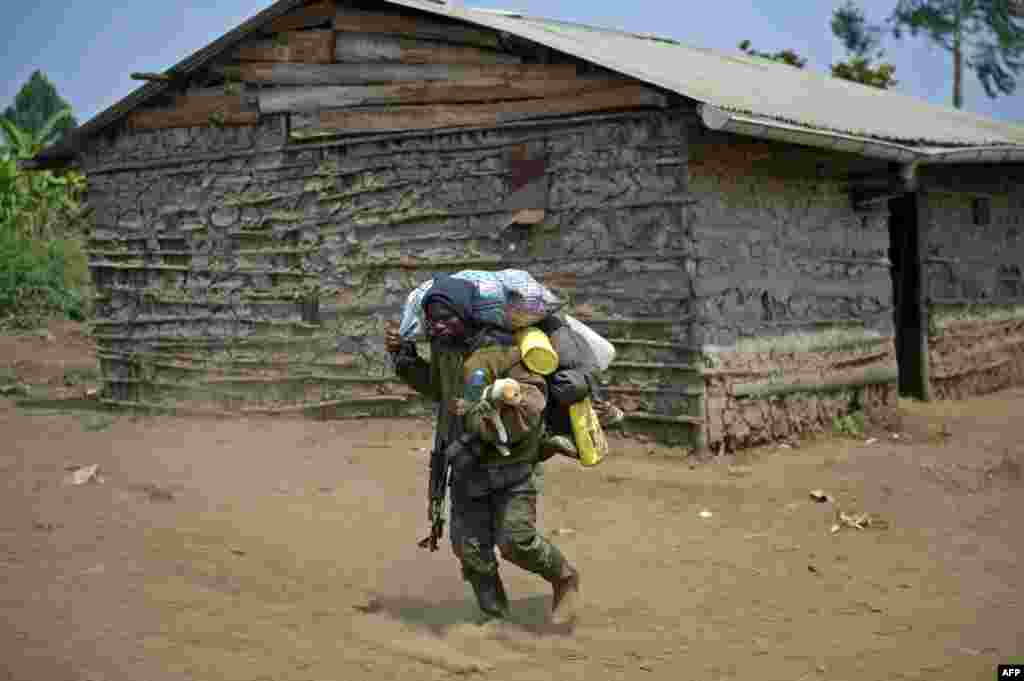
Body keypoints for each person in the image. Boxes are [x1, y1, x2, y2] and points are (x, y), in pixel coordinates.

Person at [385, 274, 580, 625]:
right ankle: (495, 621)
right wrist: (405, 359)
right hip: (465, 467)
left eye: (448, 317)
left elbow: (532, 403)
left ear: (466, 313)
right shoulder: (445, 352)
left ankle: (565, 578)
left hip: (512, 465)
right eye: (434, 320)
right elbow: (438, 388)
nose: (440, 326)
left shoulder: (505, 349)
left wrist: (485, 414)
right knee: (470, 548)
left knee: (515, 541)